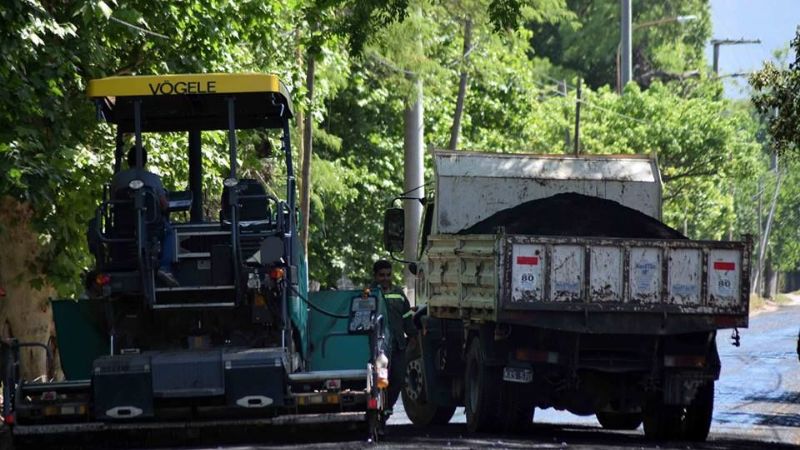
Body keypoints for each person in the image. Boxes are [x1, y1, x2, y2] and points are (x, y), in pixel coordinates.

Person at [111, 146, 179, 287]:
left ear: (128, 160)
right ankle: (165, 268)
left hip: (123, 226)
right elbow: (164, 205)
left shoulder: (118, 179)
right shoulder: (153, 179)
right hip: (150, 226)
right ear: (145, 161)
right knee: (170, 232)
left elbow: (113, 203)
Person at [371, 259, 416, 413]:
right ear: (375, 276)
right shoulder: (370, 294)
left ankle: (388, 407)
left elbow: (407, 318)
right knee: (380, 381)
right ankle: (379, 411)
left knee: (398, 378)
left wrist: (413, 336)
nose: (385, 278)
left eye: (388, 275)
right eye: (381, 275)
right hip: (378, 348)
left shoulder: (399, 294)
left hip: (398, 346)